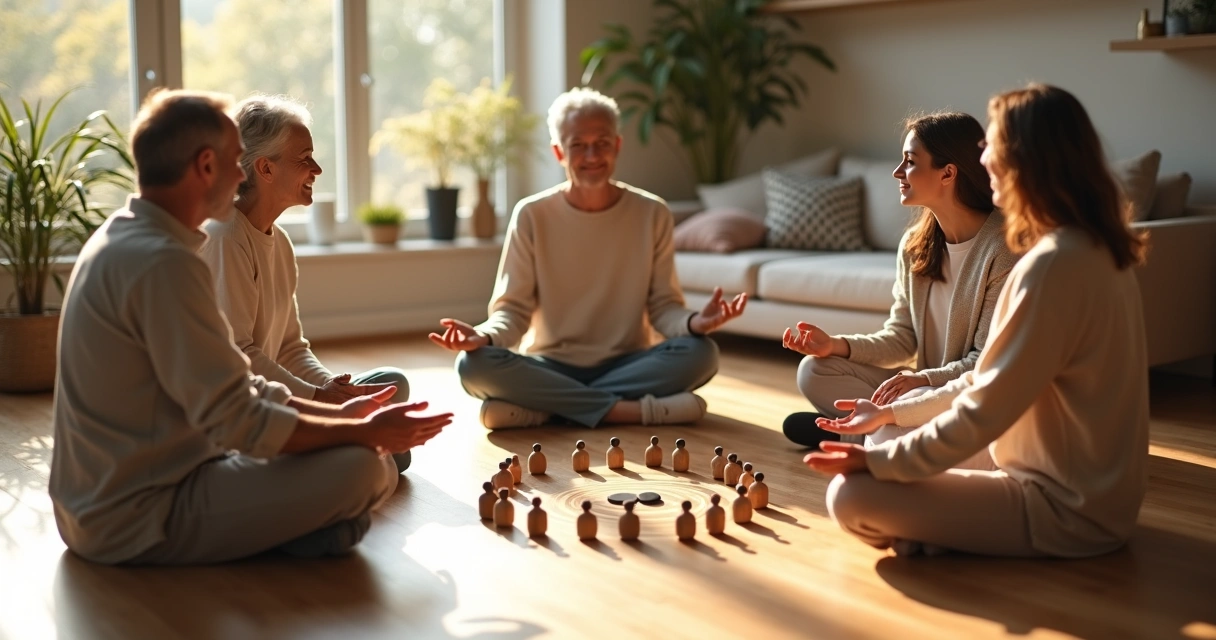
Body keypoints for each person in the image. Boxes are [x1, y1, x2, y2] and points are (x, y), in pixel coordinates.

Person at [49, 89, 451, 565]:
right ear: (205, 166)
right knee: (365, 470)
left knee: (364, 452)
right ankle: (308, 522)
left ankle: (310, 522)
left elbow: (236, 381)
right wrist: (358, 433)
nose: (241, 176)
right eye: (236, 161)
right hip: (135, 513)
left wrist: (344, 416)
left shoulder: (129, 237)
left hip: (120, 493)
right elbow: (237, 416)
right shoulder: (164, 263)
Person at [805, 84, 1150, 559]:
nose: (983, 158)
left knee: (849, 495)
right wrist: (892, 418)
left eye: (993, 146)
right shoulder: (1097, 250)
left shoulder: (1049, 265)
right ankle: (938, 527)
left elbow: (984, 401)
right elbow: (985, 380)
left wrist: (882, 460)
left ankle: (941, 528)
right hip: (1097, 497)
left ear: (1026, 161)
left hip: (1062, 507)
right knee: (880, 440)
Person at [430, 87, 746, 429]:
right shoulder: (532, 214)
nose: (592, 155)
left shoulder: (652, 212)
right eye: (578, 144)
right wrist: (485, 337)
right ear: (558, 152)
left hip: (629, 362)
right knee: (473, 365)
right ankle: (634, 412)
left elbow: (663, 306)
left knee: (701, 354)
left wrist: (694, 323)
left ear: (618, 145)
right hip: (550, 363)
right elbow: (513, 310)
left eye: (602, 142)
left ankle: (543, 409)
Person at [781, 112, 1017, 467]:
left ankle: (856, 434)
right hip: (920, 387)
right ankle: (877, 433)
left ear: (948, 173)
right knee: (814, 369)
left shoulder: (1002, 248)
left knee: (915, 401)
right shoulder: (914, 245)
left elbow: (983, 362)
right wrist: (835, 345)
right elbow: (902, 337)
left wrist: (921, 381)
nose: (897, 173)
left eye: (909, 162)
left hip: (963, 392)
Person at [199, 95, 414, 473]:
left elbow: (290, 347)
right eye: (304, 158)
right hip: (241, 416)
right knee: (374, 465)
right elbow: (239, 353)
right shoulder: (224, 236)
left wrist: (334, 389)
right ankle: (360, 449)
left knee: (392, 383)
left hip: (282, 397)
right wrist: (320, 398)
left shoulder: (279, 241)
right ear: (265, 168)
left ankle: (358, 445)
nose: (316, 168)